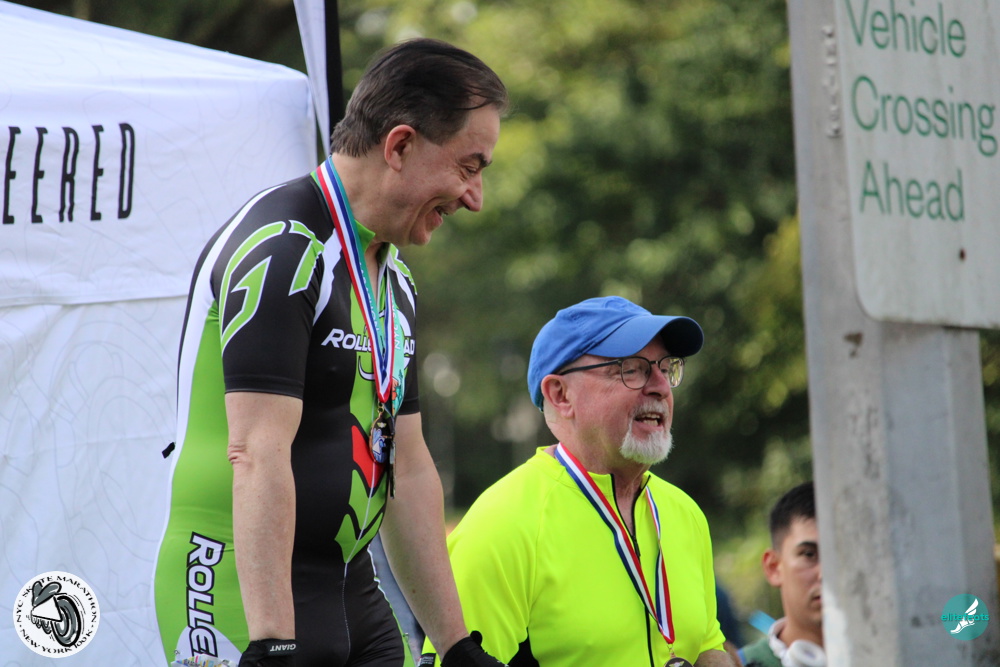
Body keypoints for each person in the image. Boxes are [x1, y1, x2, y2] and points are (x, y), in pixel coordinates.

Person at [154, 38, 509, 667]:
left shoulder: (393, 279)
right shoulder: (284, 245)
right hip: (239, 589)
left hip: (350, 584)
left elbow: (408, 465)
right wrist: (271, 639)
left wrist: (456, 643)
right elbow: (256, 450)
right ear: (399, 146)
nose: (475, 197)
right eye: (469, 166)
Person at [420, 295, 734, 667]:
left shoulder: (686, 513)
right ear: (560, 395)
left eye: (666, 368)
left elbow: (706, 646)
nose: (661, 387)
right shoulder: (501, 524)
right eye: (632, 369)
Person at [741, 482, 824, 667]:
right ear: (773, 567)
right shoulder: (737, 664)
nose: (824, 574)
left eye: (841, 556)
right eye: (809, 554)